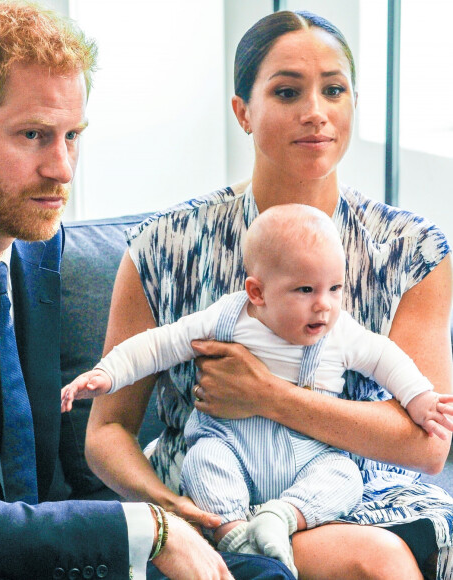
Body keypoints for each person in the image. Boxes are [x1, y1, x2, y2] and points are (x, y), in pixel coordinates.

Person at [0, 3, 298, 579]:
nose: (64, 168)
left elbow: (38, 486)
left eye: (73, 135)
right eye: (34, 135)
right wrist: (146, 529)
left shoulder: (32, 245)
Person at [85, 9, 453, 580]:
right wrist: (170, 511)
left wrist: (268, 395)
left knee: (382, 556)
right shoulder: (164, 246)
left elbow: (426, 445)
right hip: (210, 487)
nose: (316, 112)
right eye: (287, 92)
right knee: (376, 563)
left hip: (354, 488)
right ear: (243, 112)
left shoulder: (412, 251)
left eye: (334, 90)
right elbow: (107, 431)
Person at [63, 204, 453, 577]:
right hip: (231, 443)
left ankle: (281, 516)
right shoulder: (228, 318)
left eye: (335, 288)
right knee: (204, 462)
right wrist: (107, 373)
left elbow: (388, 360)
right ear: (257, 292)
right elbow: (160, 343)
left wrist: (421, 400)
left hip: (308, 454)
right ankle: (233, 533)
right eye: (305, 290)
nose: (324, 306)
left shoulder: (341, 333)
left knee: (343, 473)